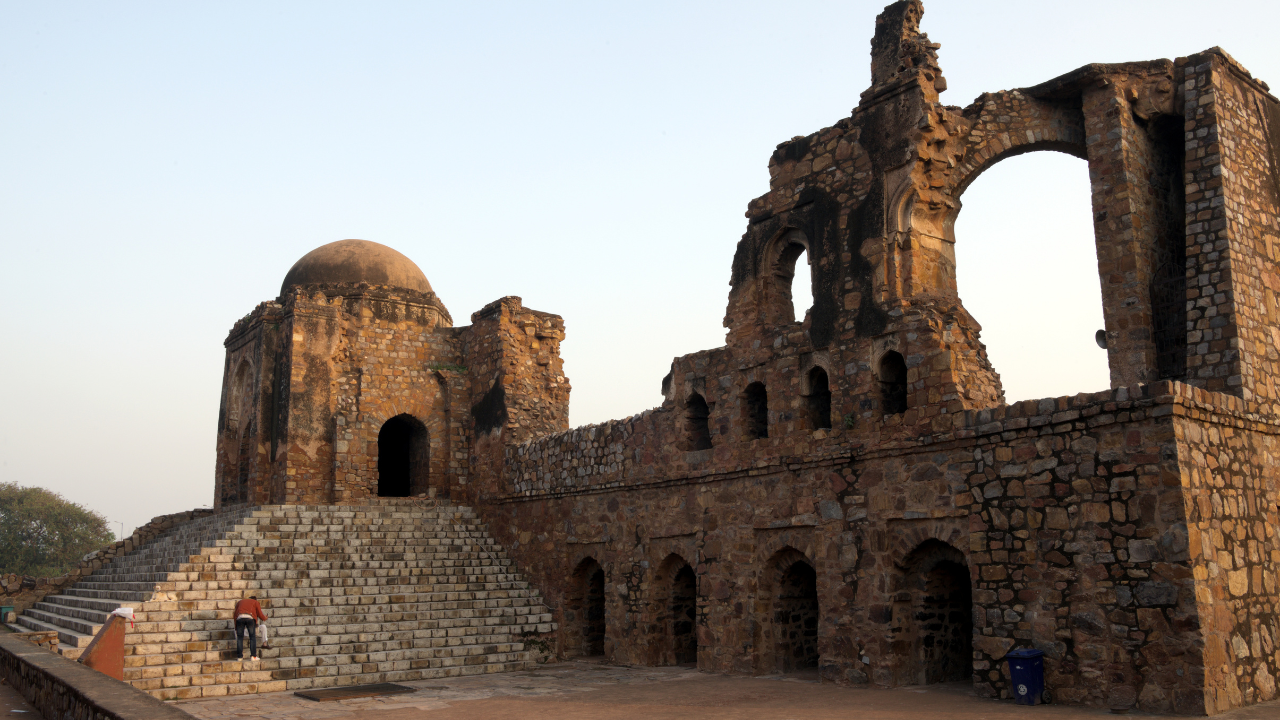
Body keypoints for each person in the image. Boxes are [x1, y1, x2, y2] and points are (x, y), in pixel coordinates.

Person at [233, 594, 268, 661]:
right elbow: (260, 613)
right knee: (252, 637)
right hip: (250, 618)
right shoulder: (255, 602)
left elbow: (235, 615)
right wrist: (264, 618)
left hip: (239, 618)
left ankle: (239, 657)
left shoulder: (240, 602)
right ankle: (253, 656)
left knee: (240, 638)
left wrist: (236, 627)